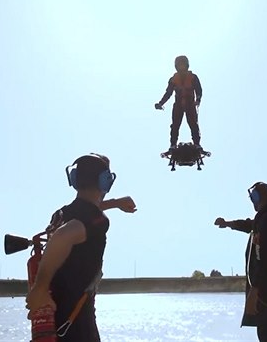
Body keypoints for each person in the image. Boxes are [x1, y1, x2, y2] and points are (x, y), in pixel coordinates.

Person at [26, 153, 137, 342]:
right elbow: (64, 236)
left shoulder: (60, 214)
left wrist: (116, 203)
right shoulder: (97, 222)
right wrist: (40, 288)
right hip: (77, 320)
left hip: (53, 316)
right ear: (106, 182)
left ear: (74, 179)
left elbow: (85, 211)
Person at [214, 182, 267, 342]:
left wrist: (255, 291)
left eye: (253, 197)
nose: (252, 201)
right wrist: (228, 224)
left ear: (258, 197)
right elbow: (249, 225)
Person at [155, 55, 203, 152]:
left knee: (193, 124)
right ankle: (173, 145)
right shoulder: (173, 79)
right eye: (180, 65)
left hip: (190, 104)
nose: (181, 67)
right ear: (176, 66)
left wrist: (198, 99)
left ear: (187, 65)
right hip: (178, 105)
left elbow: (198, 89)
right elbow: (168, 93)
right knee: (175, 125)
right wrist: (161, 103)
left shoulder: (193, 77)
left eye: (183, 65)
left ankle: (197, 144)